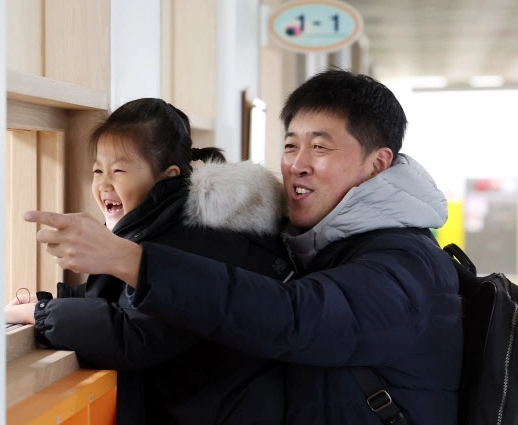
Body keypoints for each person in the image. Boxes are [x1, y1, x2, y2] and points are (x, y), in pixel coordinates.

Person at [26, 70, 463, 425]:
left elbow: (296, 318)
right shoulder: (315, 241)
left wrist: (132, 261)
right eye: (290, 145)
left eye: (320, 147)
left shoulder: (405, 261)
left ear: (377, 164)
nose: (297, 164)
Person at [5, 97, 296, 425]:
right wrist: (52, 300)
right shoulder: (164, 224)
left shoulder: (196, 239)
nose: (103, 184)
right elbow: (124, 298)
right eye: (98, 170)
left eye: (118, 170)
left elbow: (134, 336)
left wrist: (40, 314)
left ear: (166, 177)